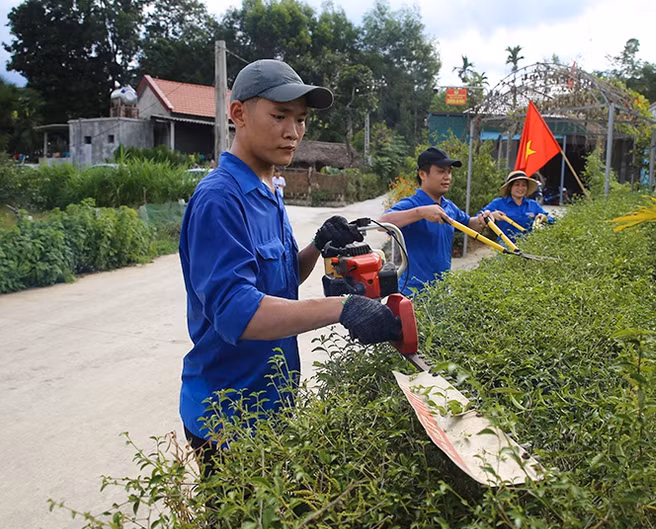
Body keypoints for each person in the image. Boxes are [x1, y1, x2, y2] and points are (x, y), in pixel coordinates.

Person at [178, 59, 401, 465]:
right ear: (239, 113)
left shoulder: (268, 188)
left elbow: (281, 282)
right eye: (279, 116)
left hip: (272, 403)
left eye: (301, 120)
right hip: (227, 415)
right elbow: (238, 313)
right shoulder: (220, 199)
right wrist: (343, 307)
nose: (293, 132)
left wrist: (317, 245)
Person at [379, 146, 502, 294]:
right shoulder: (412, 204)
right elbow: (382, 224)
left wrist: (482, 219)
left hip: (441, 293)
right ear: (422, 174)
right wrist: (421, 213)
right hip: (413, 293)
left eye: (449, 172)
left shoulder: (449, 207)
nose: (447, 177)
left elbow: (469, 224)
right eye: (441, 171)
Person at [480, 170, 554, 242]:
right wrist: (491, 215)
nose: (520, 188)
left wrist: (545, 218)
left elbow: (552, 221)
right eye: (517, 184)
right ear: (510, 187)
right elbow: (480, 216)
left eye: (524, 185)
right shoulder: (498, 203)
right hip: (506, 245)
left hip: (528, 245)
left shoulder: (533, 205)